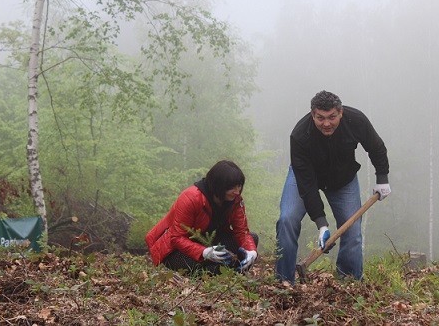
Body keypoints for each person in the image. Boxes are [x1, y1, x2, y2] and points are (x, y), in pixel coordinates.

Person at [276, 90, 390, 284]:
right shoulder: (299, 135)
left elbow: (376, 147)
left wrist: (382, 178)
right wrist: (321, 224)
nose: (326, 123)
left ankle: (349, 284)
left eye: (332, 117)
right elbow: (306, 185)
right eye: (320, 118)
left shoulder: (357, 120)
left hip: (342, 179)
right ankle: (284, 282)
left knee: (352, 230)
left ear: (341, 113)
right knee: (287, 219)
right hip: (304, 177)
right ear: (313, 114)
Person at [145, 160, 259, 274]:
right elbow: (176, 238)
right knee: (205, 266)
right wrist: (204, 252)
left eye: (239, 186)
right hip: (175, 250)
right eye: (232, 188)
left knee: (252, 238)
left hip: (209, 243)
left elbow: (242, 231)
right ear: (219, 185)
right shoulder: (191, 198)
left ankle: (227, 270)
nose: (237, 192)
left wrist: (251, 252)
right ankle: (217, 271)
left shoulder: (236, 200)